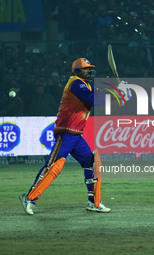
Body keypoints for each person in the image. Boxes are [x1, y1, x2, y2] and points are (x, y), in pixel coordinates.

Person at [19, 58, 111, 215]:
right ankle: (29, 198)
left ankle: (94, 202)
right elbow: (94, 99)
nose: (89, 71)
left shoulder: (86, 85)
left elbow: (101, 95)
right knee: (53, 166)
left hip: (75, 136)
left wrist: (119, 93)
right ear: (76, 70)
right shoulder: (76, 83)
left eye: (90, 69)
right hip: (66, 133)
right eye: (86, 69)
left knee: (91, 164)